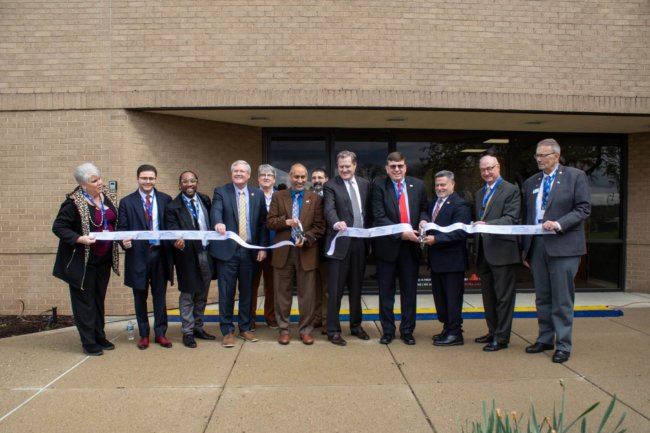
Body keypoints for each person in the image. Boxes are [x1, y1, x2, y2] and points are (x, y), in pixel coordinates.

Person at [521, 138, 591, 364]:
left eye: (544, 155)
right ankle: (545, 338)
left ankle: (563, 345)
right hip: (538, 245)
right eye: (537, 155)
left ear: (556, 156)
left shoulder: (575, 177)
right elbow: (528, 215)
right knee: (542, 297)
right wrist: (526, 250)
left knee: (562, 298)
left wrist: (559, 224)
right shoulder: (531, 182)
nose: (539, 159)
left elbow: (583, 208)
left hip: (564, 245)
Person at [53, 163, 120, 356]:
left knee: (98, 299)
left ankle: (99, 335)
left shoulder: (108, 196)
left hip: (104, 258)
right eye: (94, 180)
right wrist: (79, 239)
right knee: (85, 302)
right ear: (83, 185)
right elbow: (59, 227)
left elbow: (115, 221)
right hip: (83, 261)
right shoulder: (73, 203)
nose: (100, 183)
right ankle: (88, 341)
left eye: (99, 178)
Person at [372, 152, 428, 345]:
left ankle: (407, 331)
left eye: (400, 166)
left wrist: (424, 220)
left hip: (411, 248)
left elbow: (424, 208)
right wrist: (401, 233)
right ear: (387, 168)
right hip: (387, 246)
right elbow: (379, 216)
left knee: (409, 292)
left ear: (405, 167)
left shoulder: (418, 185)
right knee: (386, 293)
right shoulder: (379, 185)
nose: (397, 169)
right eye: (393, 166)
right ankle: (388, 331)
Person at [210, 160, 268, 348]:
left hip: (249, 251)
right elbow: (216, 211)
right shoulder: (221, 191)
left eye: (242, 171)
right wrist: (218, 222)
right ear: (231, 173)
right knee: (226, 293)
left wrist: (262, 247)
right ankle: (227, 331)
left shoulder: (258, 194)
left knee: (247, 292)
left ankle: (245, 327)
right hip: (227, 251)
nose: (239, 173)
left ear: (248, 175)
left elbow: (263, 223)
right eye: (235, 170)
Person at [267, 163, 325, 345]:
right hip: (283, 252)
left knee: (307, 295)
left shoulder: (315, 199)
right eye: (296, 177)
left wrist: (306, 238)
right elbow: (270, 222)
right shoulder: (278, 196)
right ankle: (284, 330)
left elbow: (319, 227)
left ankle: (306, 330)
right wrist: (286, 222)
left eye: (303, 177)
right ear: (289, 177)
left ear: (306, 178)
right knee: (281, 294)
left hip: (306, 252)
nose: (299, 180)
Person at [118, 164, 174, 350]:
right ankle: (143, 334)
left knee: (160, 297)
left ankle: (160, 333)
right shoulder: (127, 202)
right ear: (137, 179)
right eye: (144, 178)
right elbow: (121, 229)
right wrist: (123, 242)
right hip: (137, 256)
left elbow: (171, 227)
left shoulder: (166, 199)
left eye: (151, 178)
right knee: (139, 297)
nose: (148, 181)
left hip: (160, 254)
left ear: (155, 179)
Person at [472, 155, 521, 352]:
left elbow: (511, 218)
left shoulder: (511, 190)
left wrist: (486, 224)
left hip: (502, 252)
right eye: (483, 169)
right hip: (484, 252)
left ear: (498, 167)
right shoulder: (479, 193)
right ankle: (492, 331)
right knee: (488, 296)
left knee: (503, 298)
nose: (486, 173)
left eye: (490, 168)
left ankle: (501, 338)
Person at [323, 152, 371, 346]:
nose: (344, 170)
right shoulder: (330, 185)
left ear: (354, 165)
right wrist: (336, 223)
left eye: (347, 166)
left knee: (356, 288)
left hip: (360, 242)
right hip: (340, 242)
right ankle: (333, 330)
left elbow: (367, 211)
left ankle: (356, 326)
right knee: (335, 291)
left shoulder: (365, 184)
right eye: (341, 166)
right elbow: (329, 209)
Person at [165, 171, 217, 348]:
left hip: (206, 253)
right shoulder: (173, 206)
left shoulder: (205, 200)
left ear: (197, 182)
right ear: (179, 184)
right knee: (188, 294)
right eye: (185, 181)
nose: (189, 184)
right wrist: (176, 240)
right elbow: (171, 229)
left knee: (202, 293)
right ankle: (187, 331)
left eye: (192, 181)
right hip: (187, 256)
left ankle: (198, 327)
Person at [423, 170, 472, 347]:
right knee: (441, 299)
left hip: (452, 262)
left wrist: (436, 239)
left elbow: (460, 232)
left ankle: (455, 333)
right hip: (436, 261)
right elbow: (426, 216)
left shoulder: (461, 205)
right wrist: (423, 221)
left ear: (452, 184)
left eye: (443, 184)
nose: (440, 188)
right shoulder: (433, 203)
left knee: (452, 299)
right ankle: (447, 328)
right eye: (437, 185)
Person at [250, 164, 279, 330]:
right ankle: (250, 318)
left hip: (276, 247)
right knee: (251, 285)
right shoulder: (251, 195)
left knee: (272, 286)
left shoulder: (281, 196)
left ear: (274, 179)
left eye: (269, 175)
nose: (266, 177)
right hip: (254, 248)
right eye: (263, 175)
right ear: (258, 178)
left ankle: (271, 317)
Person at [311, 167, 329, 334]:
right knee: (314, 286)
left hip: (327, 248)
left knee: (326, 287)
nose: (317, 180)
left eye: (320, 177)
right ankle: (315, 318)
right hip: (310, 249)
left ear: (326, 179)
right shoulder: (308, 196)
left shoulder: (331, 196)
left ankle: (326, 320)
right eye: (314, 178)